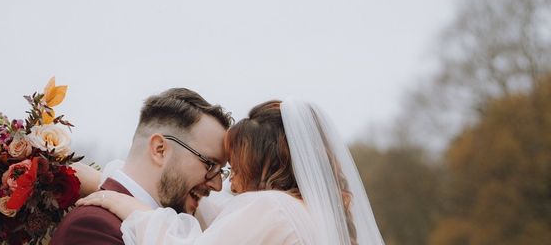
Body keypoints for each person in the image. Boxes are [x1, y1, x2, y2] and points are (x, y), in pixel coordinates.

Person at [78, 98, 385, 245]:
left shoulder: (271, 207)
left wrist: (131, 207)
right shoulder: (311, 215)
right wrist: (108, 179)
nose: (229, 182)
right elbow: (213, 211)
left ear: (263, 164)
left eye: (233, 168)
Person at [50, 88, 233, 245]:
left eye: (221, 171)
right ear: (159, 150)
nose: (217, 185)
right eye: (210, 164)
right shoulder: (93, 227)